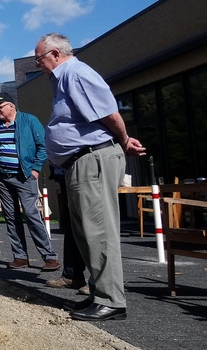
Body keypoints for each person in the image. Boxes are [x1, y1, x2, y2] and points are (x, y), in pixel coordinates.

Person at [35, 33, 145, 322]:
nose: (39, 66)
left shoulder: (76, 74)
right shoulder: (62, 80)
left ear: (55, 54)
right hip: (79, 162)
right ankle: (99, 295)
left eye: (39, 60)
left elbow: (110, 114)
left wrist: (123, 140)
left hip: (92, 159)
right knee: (86, 232)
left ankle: (112, 301)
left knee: (99, 231)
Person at [0, 92, 60, 272]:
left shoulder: (29, 120)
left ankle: (49, 257)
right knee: (11, 217)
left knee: (32, 215)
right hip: (2, 177)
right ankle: (20, 256)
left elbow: (43, 146)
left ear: (11, 106)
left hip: (24, 176)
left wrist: (35, 169)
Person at [45, 163, 89, 295]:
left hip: (83, 167)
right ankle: (72, 275)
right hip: (64, 170)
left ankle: (101, 282)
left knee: (91, 223)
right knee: (70, 222)